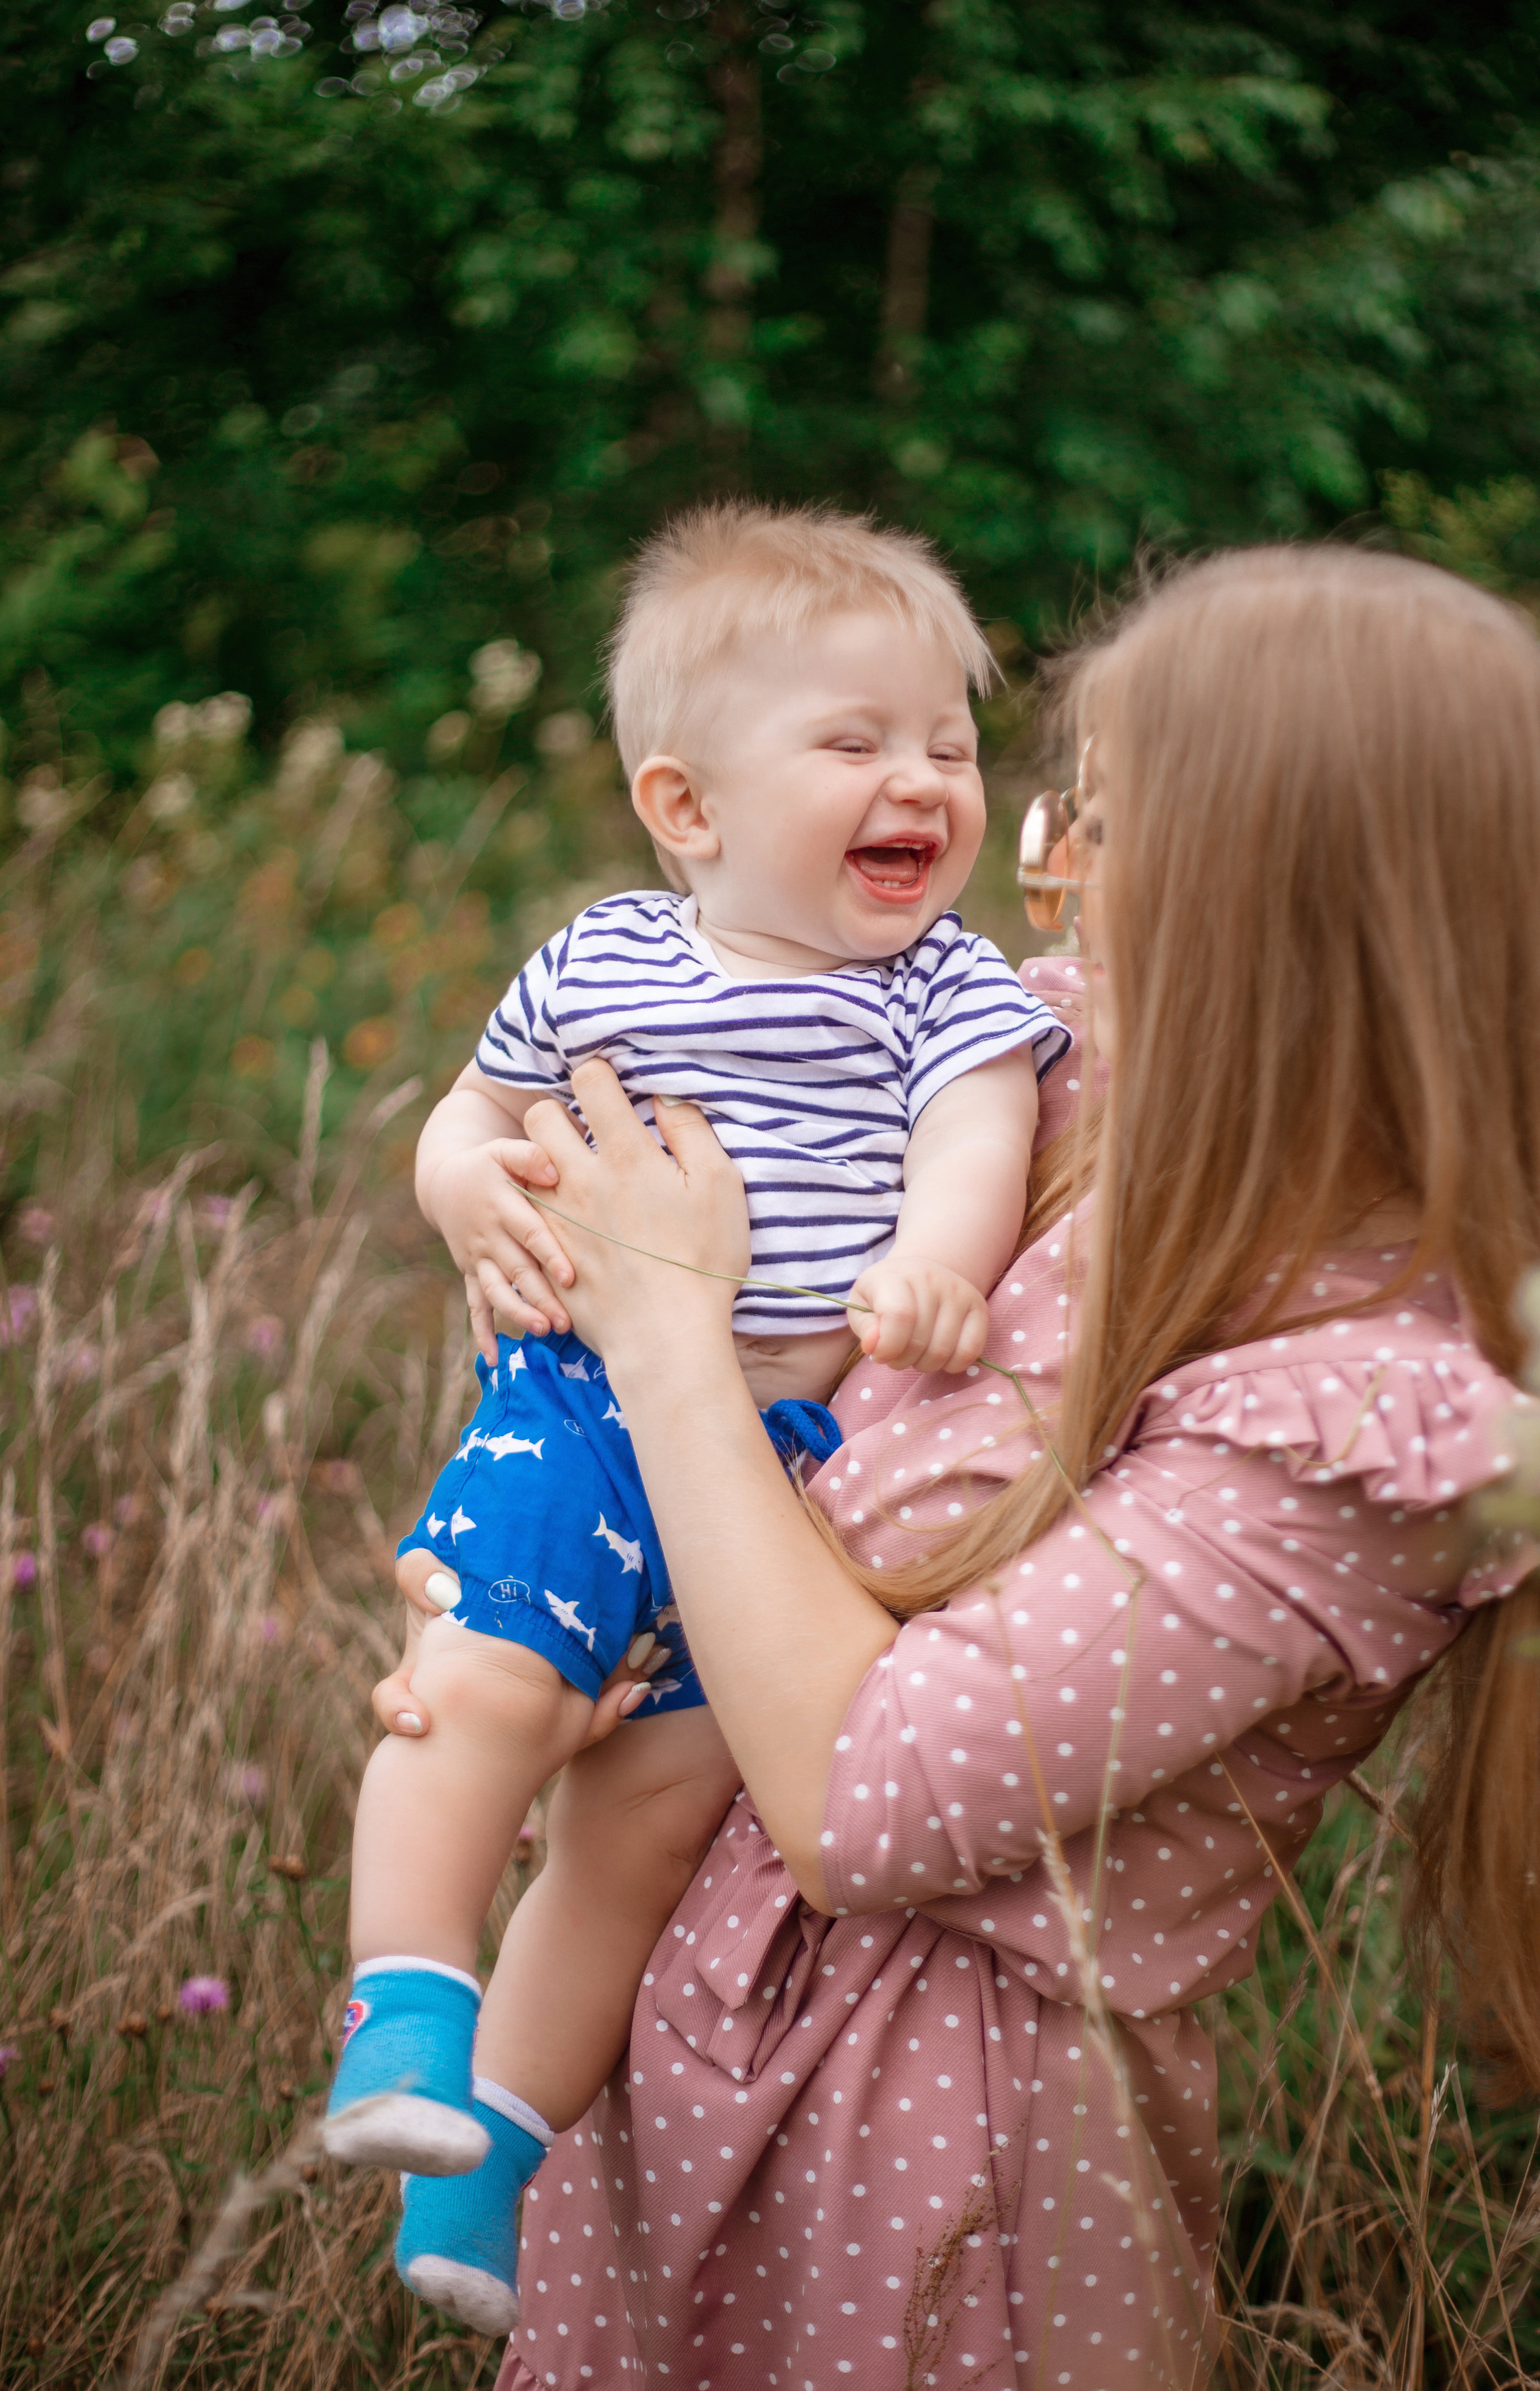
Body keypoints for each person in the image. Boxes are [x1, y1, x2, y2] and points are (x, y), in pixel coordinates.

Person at [377, 543, 1540, 2390]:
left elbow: (859, 1803)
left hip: (932, 2204)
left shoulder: (1360, 1420)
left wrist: (668, 1340)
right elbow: (639, 1191)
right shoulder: (1055, 1079)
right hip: (662, 2063)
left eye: (1098, 822)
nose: (1042, 863)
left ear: (1275, 891)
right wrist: (541, 1599)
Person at [324, 504, 1071, 2333]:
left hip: (782, 1477)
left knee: (644, 1830)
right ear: (687, 808)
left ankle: (496, 2141)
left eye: (953, 748)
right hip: (583, 1412)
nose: (924, 781)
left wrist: (931, 1268)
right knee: (480, 1694)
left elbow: (981, 1137)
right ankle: (403, 2002)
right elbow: (464, 1116)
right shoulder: (604, 963)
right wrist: (458, 1197)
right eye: (857, 743)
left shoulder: (949, 989)